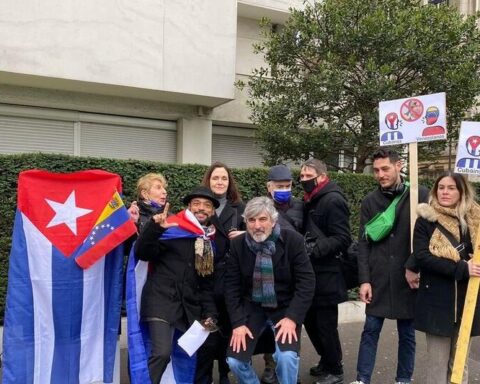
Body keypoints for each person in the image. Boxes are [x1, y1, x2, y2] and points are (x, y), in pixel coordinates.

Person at [349, 148, 429, 384]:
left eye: (385, 168)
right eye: (376, 170)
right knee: (370, 331)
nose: (380, 174)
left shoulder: (419, 195)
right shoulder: (370, 201)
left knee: (407, 335)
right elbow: (363, 244)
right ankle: (362, 379)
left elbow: (428, 239)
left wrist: (416, 266)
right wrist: (364, 279)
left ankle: (403, 380)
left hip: (408, 277)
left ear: (399, 165)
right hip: (378, 278)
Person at [225, 197, 315, 384]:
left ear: (273, 221)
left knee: (286, 358)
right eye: (251, 220)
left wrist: (292, 318)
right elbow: (231, 287)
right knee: (234, 361)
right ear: (246, 222)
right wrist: (238, 323)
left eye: (262, 219)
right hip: (252, 308)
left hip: (284, 309)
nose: (257, 225)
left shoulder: (293, 241)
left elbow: (306, 282)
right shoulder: (237, 244)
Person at [134, 186, 219, 384]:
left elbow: (205, 283)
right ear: (189, 206)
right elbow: (143, 253)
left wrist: (210, 313)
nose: (201, 208)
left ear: (213, 212)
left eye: (207, 205)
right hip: (160, 301)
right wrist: (154, 229)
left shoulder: (209, 241)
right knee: (161, 353)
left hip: (187, 308)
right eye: (196, 203)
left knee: (184, 358)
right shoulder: (172, 227)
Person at [413, 172, 480, 384]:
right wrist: (461, 268)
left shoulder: (475, 220)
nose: (445, 192)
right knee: (437, 364)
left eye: (451, 188)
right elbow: (422, 257)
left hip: (467, 301)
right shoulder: (426, 220)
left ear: (461, 192)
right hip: (437, 302)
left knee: (460, 363)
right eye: (441, 187)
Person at [299, 158, 351, 384]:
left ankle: (335, 369)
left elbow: (343, 238)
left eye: (307, 176)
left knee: (325, 325)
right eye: (301, 177)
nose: (303, 180)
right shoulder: (312, 199)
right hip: (313, 274)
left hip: (327, 274)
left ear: (321, 177)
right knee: (311, 322)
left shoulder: (332, 200)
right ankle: (325, 361)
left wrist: (314, 249)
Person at [195, 162, 246, 384]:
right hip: (204, 277)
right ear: (208, 180)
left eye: (224, 178)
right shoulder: (199, 207)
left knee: (227, 326)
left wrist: (244, 234)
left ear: (229, 182)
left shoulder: (241, 209)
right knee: (206, 330)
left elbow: (256, 234)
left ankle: (224, 372)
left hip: (231, 277)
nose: (219, 182)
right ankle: (204, 375)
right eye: (215, 178)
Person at [260, 164, 304, 384]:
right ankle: (270, 364)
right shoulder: (261, 208)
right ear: (269, 187)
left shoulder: (300, 206)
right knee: (269, 323)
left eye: (287, 185)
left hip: (293, 269)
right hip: (268, 272)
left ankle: (290, 362)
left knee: (292, 322)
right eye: (279, 186)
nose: (284, 189)